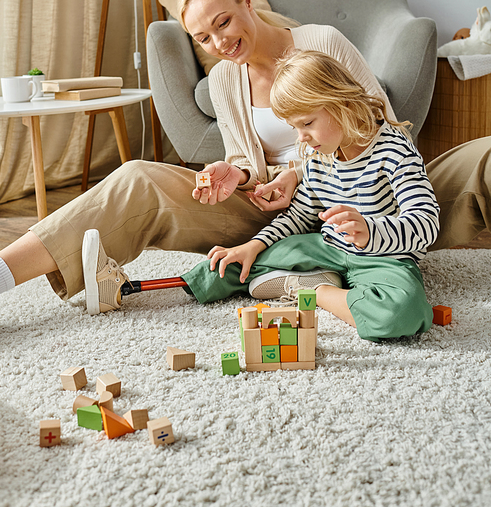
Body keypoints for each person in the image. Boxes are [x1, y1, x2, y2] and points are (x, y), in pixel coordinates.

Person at [0, 0, 488, 315]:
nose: (219, 44)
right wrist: (239, 173)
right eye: (203, 38)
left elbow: (379, 125)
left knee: (484, 155)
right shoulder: (227, 79)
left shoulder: (323, 43)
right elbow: (245, 158)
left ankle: (319, 277)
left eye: (223, 22)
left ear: (246, 2)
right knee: (135, 176)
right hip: (274, 213)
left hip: (367, 195)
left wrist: (305, 172)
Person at [186, 50, 440, 343]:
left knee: (402, 312)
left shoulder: (395, 151)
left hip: (384, 258)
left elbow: (426, 222)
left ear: (343, 103)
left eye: (306, 123)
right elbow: (299, 216)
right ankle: (170, 285)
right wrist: (253, 245)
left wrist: (371, 232)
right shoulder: (318, 153)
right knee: (229, 264)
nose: (301, 138)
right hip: (326, 247)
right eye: (294, 127)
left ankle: (317, 290)